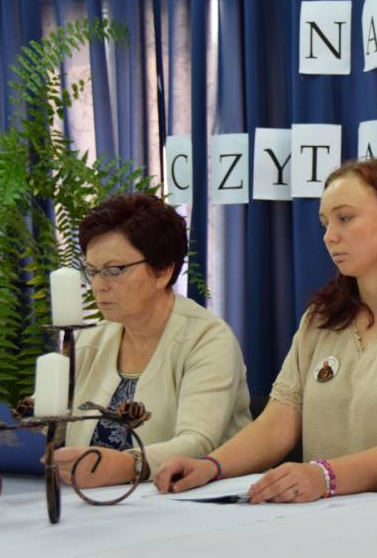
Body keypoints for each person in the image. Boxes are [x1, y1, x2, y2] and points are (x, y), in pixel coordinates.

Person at [154, 159, 377, 502]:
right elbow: (278, 424)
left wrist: (324, 476)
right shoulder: (321, 318)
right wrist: (211, 466)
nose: (330, 236)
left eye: (345, 218)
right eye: (325, 223)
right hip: (334, 517)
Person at [54, 193, 252, 487]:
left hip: (189, 500)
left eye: (113, 271)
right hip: (92, 501)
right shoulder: (88, 340)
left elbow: (198, 442)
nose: (98, 285)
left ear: (163, 271)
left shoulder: (208, 339)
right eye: (92, 271)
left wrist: (127, 465)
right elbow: (53, 431)